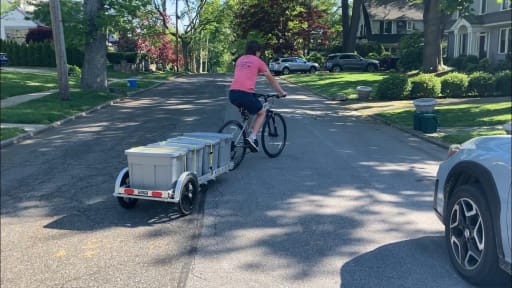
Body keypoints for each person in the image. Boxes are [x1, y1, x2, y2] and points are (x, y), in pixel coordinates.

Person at [229, 40, 286, 152]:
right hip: (246, 94)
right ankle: (252, 137)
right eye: (260, 52)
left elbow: (243, 76)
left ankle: (245, 133)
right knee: (261, 112)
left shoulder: (240, 60)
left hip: (233, 93)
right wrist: (281, 92)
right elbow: (272, 80)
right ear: (257, 51)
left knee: (249, 112)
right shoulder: (258, 61)